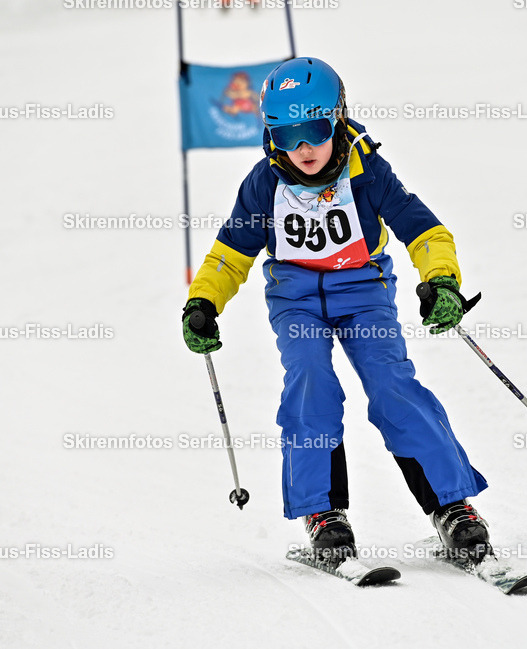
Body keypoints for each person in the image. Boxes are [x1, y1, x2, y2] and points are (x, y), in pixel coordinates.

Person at [182, 57, 491, 561]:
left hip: (363, 292)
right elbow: (229, 254)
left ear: (339, 119)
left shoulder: (366, 173)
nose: (302, 147)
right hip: (296, 298)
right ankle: (322, 512)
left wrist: (442, 282)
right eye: (285, 135)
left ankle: (451, 507)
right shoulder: (265, 184)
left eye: (314, 130)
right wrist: (203, 301)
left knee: (394, 386)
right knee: (310, 383)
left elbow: (425, 230)